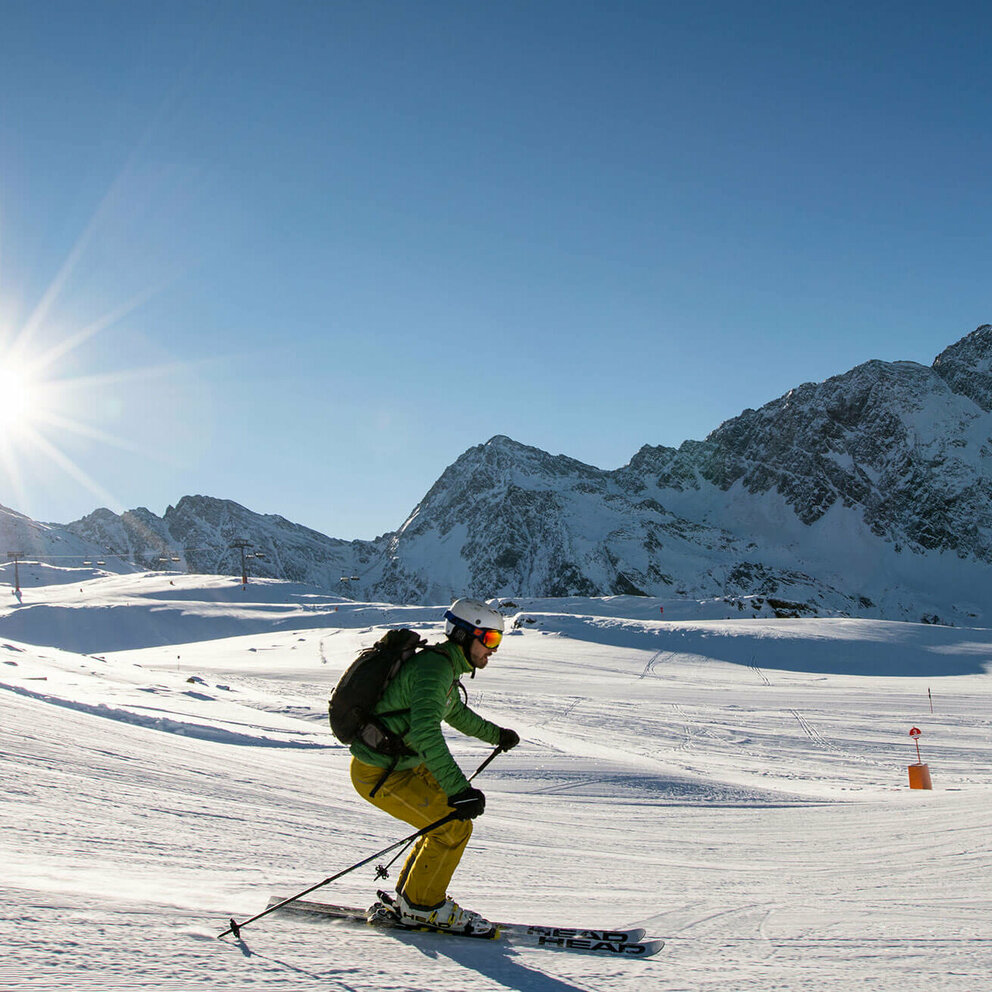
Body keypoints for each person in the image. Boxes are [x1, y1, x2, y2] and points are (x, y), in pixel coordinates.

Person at [349, 598, 520, 934]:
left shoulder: (443, 665)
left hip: (402, 764)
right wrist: (458, 790)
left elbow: (454, 712)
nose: (494, 649)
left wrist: (496, 735)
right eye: (489, 639)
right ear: (464, 635)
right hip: (378, 773)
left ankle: (411, 900)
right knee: (452, 827)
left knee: (451, 824)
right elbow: (425, 731)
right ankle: (422, 907)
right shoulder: (435, 669)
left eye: (497, 640)